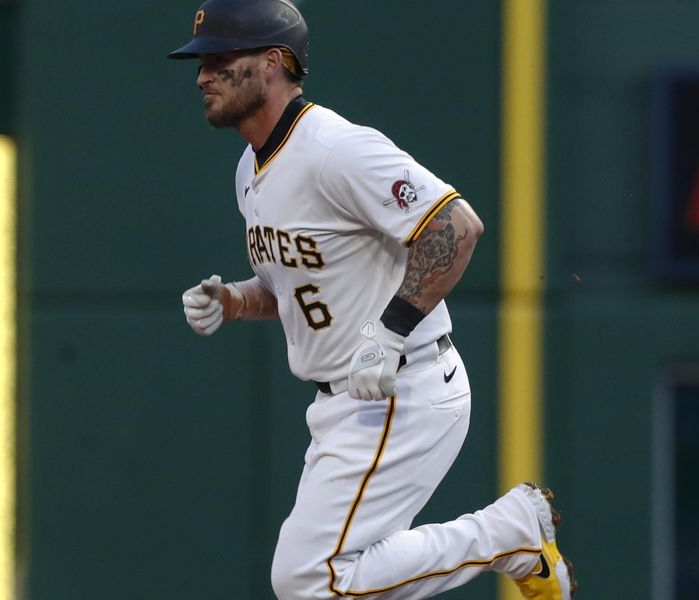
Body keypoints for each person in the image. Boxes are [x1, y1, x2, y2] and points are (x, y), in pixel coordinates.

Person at [171, 1, 577, 598]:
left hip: (400, 388)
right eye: (201, 62)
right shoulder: (249, 169)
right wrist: (234, 299)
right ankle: (507, 535)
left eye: (221, 58)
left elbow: (455, 227)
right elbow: (302, 286)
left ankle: (507, 535)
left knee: (312, 580)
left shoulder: (334, 147)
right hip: (346, 402)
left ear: (275, 62)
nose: (202, 74)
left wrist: (388, 332)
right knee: (315, 579)